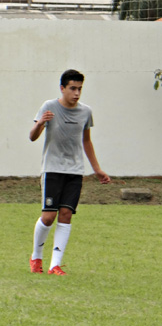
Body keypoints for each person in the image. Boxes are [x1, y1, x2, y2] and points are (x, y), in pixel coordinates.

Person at [29, 69, 111, 276]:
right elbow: (32, 137)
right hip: (52, 169)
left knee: (66, 215)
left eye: (80, 89)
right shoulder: (49, 107)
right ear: (62, 88)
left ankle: (54, 265)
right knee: (48, 217)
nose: (76, 93)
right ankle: (36, 257)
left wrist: (97, 170)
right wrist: (40, 123)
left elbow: (86, 141)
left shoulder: (86, 112)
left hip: (75, 171)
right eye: (73, 88)